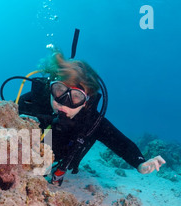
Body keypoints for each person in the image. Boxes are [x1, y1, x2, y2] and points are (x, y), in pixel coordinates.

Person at [18, 52, 166, 185]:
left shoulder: (91, 120)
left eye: (76, 97)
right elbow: (5, 119)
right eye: (60, 90)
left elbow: (119, 141)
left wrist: (140, 163)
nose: (64, 102)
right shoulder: (32, 101)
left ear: (86, 102)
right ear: (50, 88)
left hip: (58, 159)